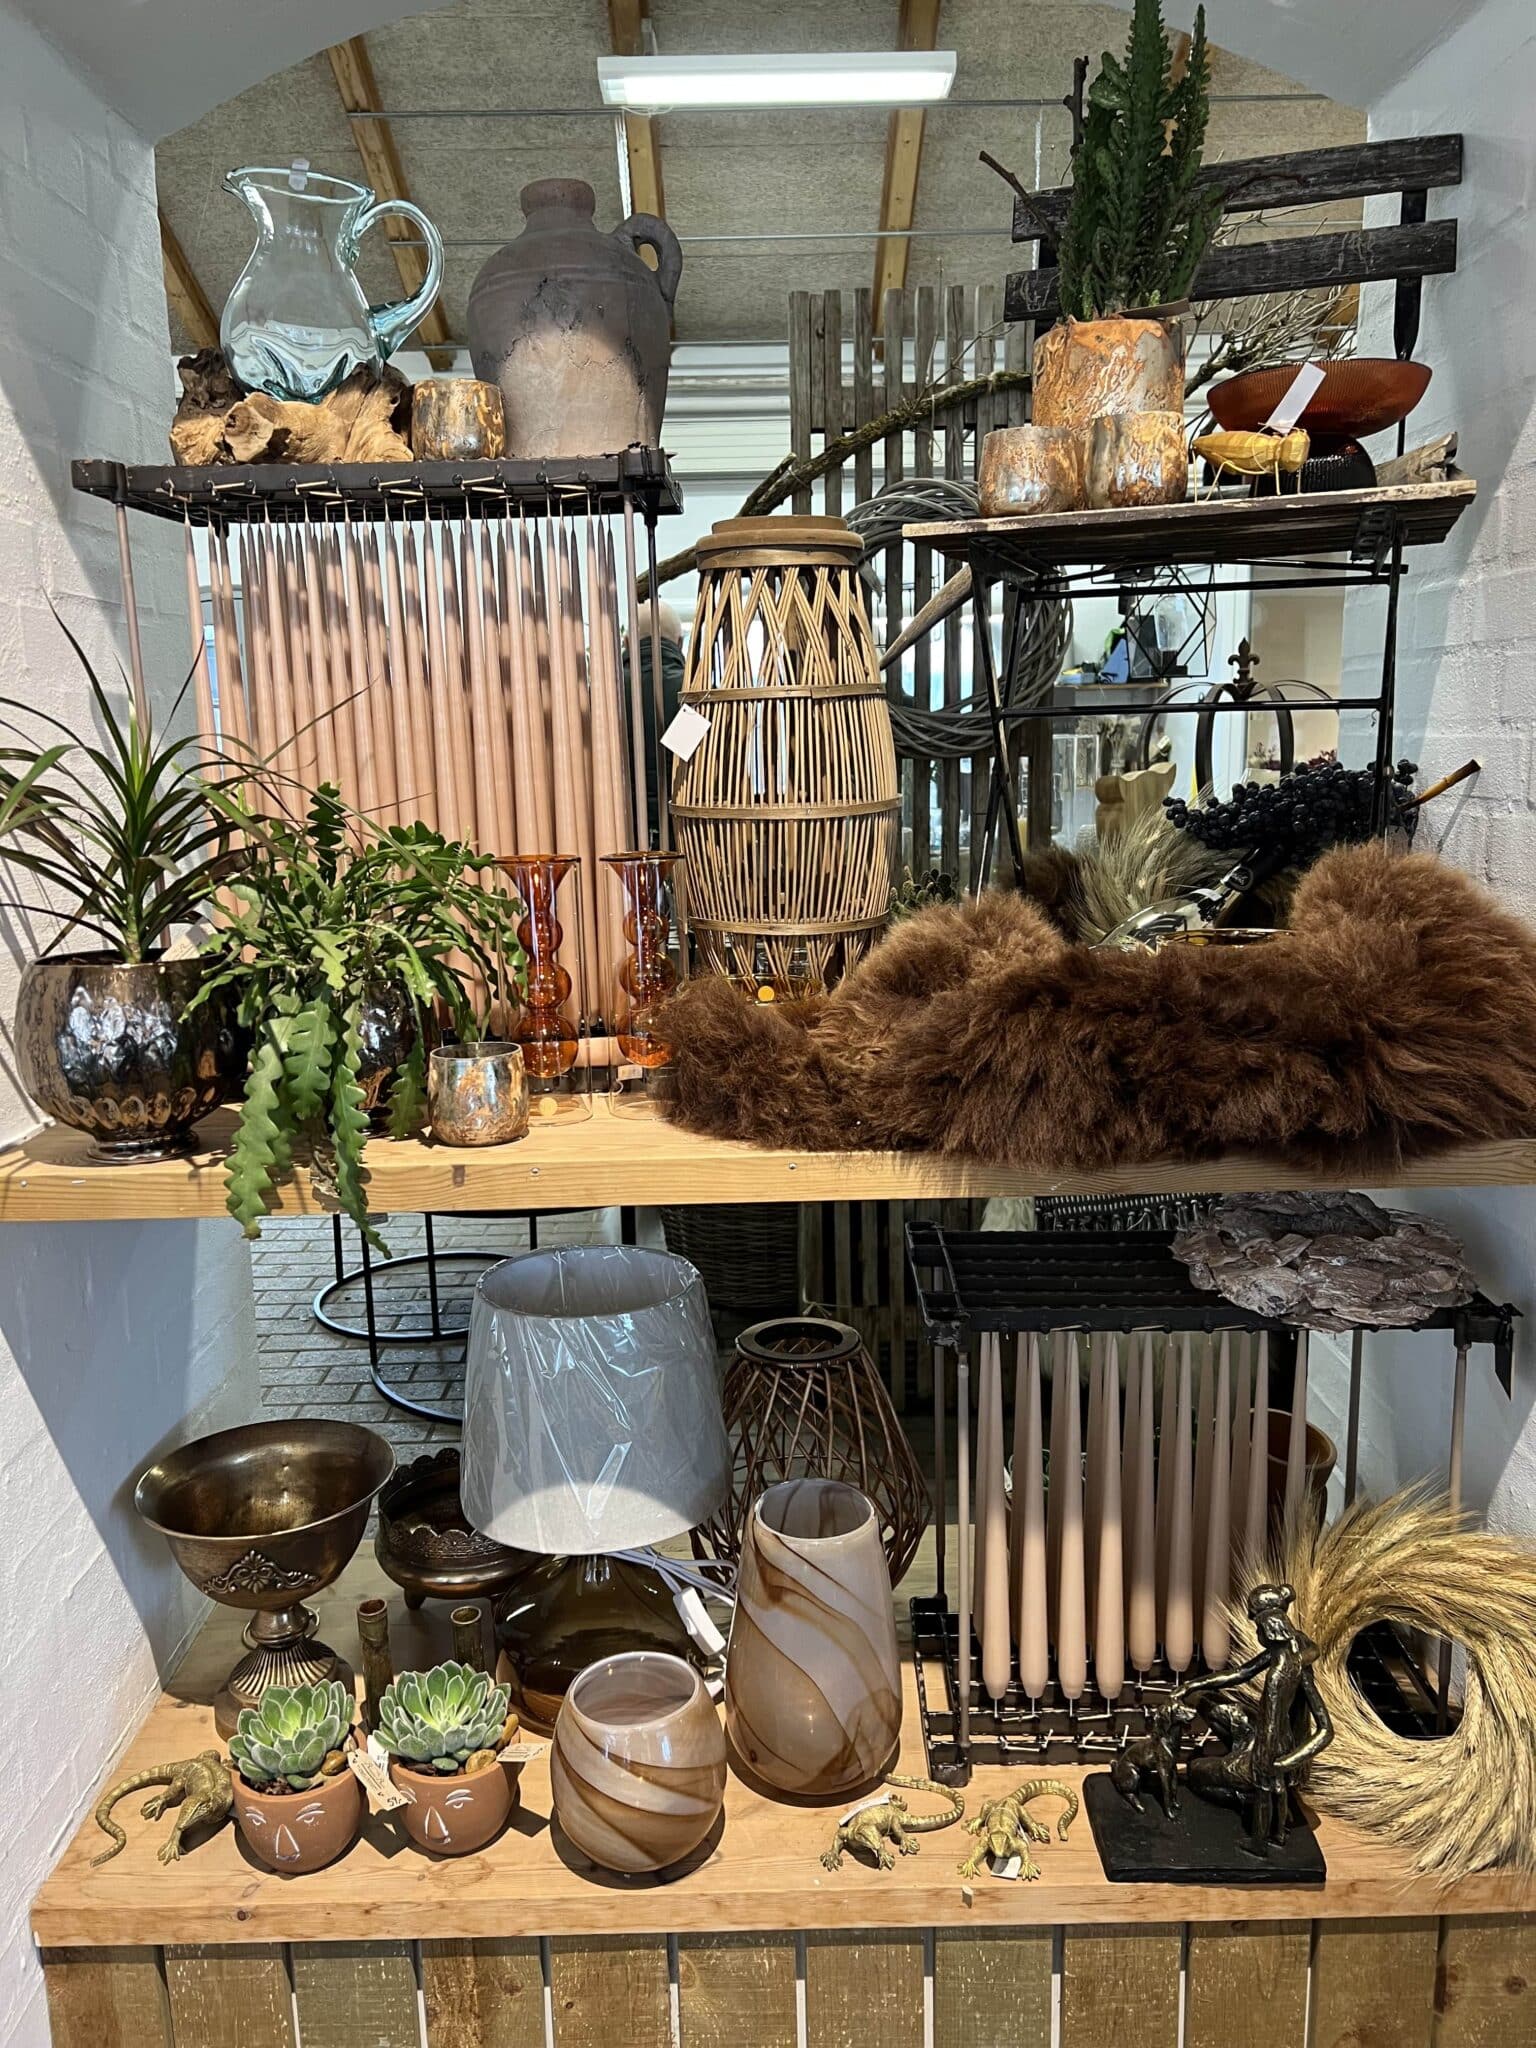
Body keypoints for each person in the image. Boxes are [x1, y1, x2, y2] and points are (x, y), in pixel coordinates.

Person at [621, 599, 687, 844]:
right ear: (680, 643)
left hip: (618, 837)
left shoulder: (603, 692)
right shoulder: (695, 693)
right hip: (683, 836)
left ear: (626, 642)